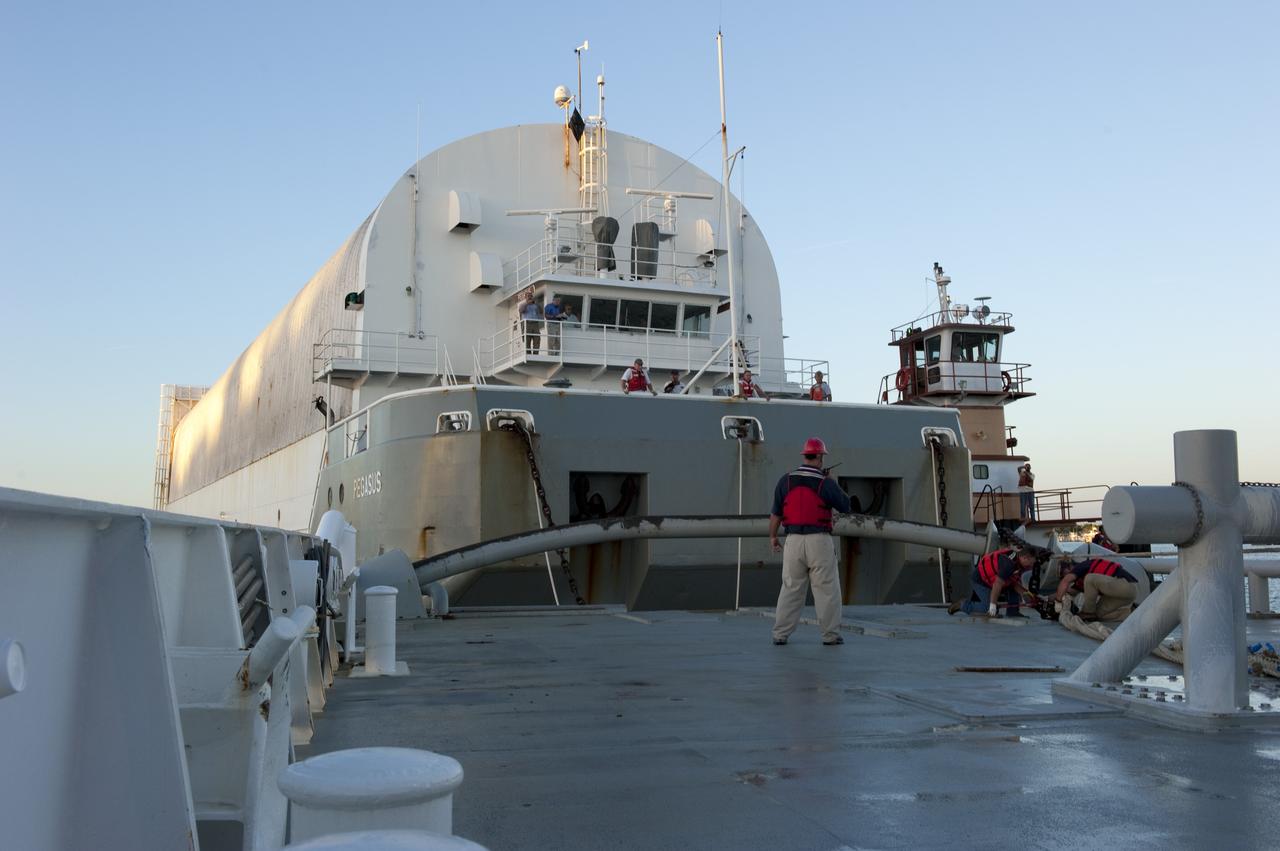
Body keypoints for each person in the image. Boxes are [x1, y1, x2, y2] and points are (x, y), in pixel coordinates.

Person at [769, 437, 852, 645]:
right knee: (826, 590)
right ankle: (830, 636)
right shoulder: (824, 482)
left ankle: (780, 634)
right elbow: (845, 505)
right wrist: (830, 480)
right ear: (821, 457)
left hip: (793, 541)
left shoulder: (785, 480)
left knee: (790, 588)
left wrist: (772, 536)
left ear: (804, 455)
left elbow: (776, 514)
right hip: (819, 541)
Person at [949, 547, 1037, 617]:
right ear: (1025, 558)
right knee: (987, 608)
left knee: (1010, 588)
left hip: (993, 581)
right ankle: (962, 605)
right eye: (1031, 563)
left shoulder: (1018, 562)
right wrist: (992, 606)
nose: (1031, 566)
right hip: (981, 581)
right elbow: (997, 584)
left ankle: (1012, 612)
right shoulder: (1009, 564)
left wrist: (1026, 594)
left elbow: (1013, 582)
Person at [1052, 555, 1138, 622]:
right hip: (1123, 595)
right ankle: (1131, 612)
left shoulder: (1080, 567)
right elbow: (1070, 591)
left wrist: (1058, 602)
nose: (1063, 576)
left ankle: (1087, 613)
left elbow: (1065, 581)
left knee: (1090, 578)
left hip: (1128, 585)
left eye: (1063, 573)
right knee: (1098, 615)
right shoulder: (1081, 580)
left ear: (1070, 566)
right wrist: (1051, 597)